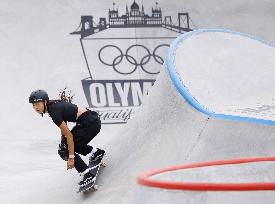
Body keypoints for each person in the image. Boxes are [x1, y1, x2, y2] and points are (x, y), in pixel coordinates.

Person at [29, 89, 105, 187]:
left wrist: (71, 158)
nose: (36, 108)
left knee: (66, 149)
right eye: (33, 105)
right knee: (67, 146)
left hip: (90, 124)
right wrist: (63, 140)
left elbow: (69, 135)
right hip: (91, 120)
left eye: (38, 104)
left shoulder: (53, 112)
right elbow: (64, 129)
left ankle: (88, 175)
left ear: (45, 102)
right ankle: (96, 152)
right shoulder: (54, 106)